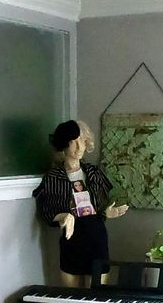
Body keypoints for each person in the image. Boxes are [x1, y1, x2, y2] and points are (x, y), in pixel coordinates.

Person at [32, 119, 128, 287]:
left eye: (82, 141)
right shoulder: (53, 177)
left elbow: (113, 197)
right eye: (73, 142)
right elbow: (46, 212)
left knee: (97, 295)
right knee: (72, 296)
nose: (79, 147)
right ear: (64, 145)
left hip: (96, 237)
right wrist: (63, 216)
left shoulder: (93, 173)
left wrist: (107, 212)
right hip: (71, 241)